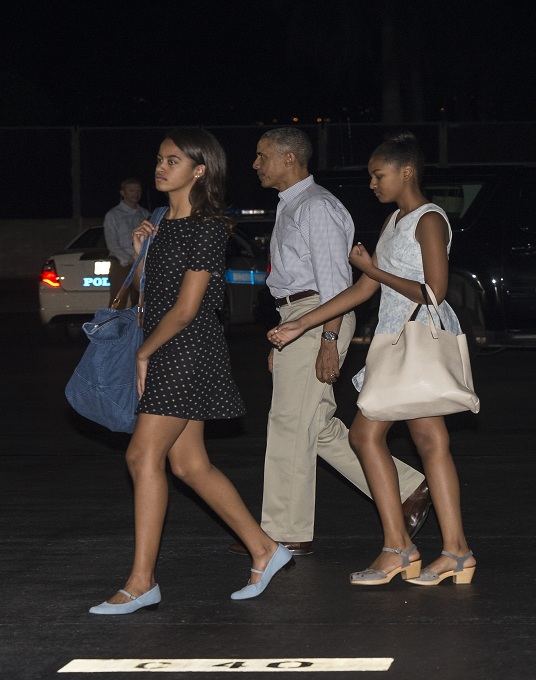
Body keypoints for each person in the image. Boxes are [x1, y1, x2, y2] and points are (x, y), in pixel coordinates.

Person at [89, 128, 292, 615]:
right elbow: (147, 297)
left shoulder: (208, 227)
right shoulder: (159, 222)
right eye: (160, 159)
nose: (160, 168)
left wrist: (143, 354)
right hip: (166, 346)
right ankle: (265, 549)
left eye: (173, 160)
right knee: (189, 465)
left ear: (199, 170)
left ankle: (142, 582)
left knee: (142, 456)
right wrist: (141, 251)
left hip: (187, 350)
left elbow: (186, 309)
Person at [269, 131, 475, 587]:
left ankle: (404, 548)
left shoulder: (429, 219)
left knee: (371, 436)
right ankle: (449, 551)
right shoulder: (394, 220)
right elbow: (363, 289)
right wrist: (302, 324)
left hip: (416, 340)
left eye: (379, 175)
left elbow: (433, 291)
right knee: (427, 442)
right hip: (392, 339)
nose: (372, 184)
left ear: (407, 171)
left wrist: (373, 269)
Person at [227, 127, 431, 559]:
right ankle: (408, 488)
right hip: (298, 317)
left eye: (262, 155)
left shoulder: (315, 206)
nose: (255, 164)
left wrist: (327, 339)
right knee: (315, 424)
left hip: (318, 315)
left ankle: (283, 533)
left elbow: (336, 284)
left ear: (289, 158)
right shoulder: (293, 205)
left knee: (289, 423)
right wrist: (285, 332)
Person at [103, 177, 150, 306]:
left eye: (138, 191)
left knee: (139, 301)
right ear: (123, 193)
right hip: (121, 264)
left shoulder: (145, 214)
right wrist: (129, 260)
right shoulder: (113, 215)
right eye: (131, 190)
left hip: (141, 263)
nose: (136, 194)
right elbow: (112, 244)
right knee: (118, 301)